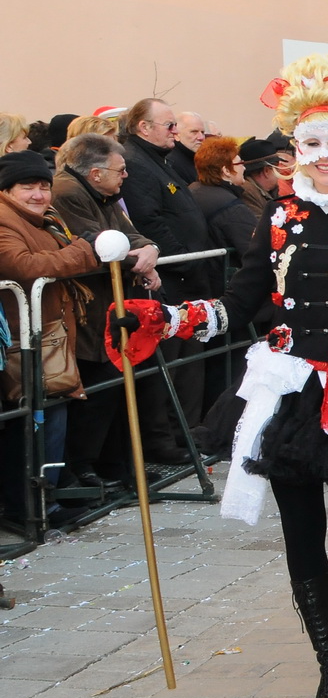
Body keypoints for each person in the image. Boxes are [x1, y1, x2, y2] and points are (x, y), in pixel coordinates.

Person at [118, 54, 328, 698]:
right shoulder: (279, 216)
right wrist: (173, 319)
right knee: (300, 536)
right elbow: (243, 297)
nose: (323, 157)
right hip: (289, 391)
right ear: (298, 147)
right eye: (312, 144)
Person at [51, 134, 161, 490]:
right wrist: (139, 259)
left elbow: (132, 236)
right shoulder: (68, 192)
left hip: (112, 308)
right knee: (96, 393)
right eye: (120, 169)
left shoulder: (104, 193)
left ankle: (114, 465)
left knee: (114, 390)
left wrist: (149, 252)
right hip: (90, 310)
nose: (126, 175)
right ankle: (85, 467)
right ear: (96, 173)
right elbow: (98, 242)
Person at [0, 150, 101, 523]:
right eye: (28, 187)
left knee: (52, 413)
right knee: (30, 420)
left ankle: (48, 497)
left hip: (48, 333)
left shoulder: (44, 218)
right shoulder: (4, 220)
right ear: (8, 188)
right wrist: (83, 250)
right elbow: (24, 266)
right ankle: (27, 506)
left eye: (44, 186)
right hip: (21, 338)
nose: (39, 195)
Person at [119, 97, 216, 450]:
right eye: (169, 125)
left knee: (188, 362)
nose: (175, 132)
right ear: (144, 127)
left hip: (188, 276)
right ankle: (167, 438)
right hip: (172, 278)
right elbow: (150, 221)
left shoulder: (159, 159)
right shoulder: (137, 163)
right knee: (171, 364)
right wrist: (185, 259)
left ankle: (184, 432)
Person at [190, 136, 260, 258]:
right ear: (226, 171)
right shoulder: (231, 208)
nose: (244, 167)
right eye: (240, 163)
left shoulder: (191, 191)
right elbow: (255, 250)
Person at [236, 138, 284, 217]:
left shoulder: (270, 191)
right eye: (277, 169)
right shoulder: (246, 193)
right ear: (266, 171)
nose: (280, 172)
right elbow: (261, 225)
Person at [166, 112, 208, 185]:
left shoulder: (202, 161)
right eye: (194, 132)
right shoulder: (171, 164)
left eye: (202, 132)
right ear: (176, 134)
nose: (201, 137)